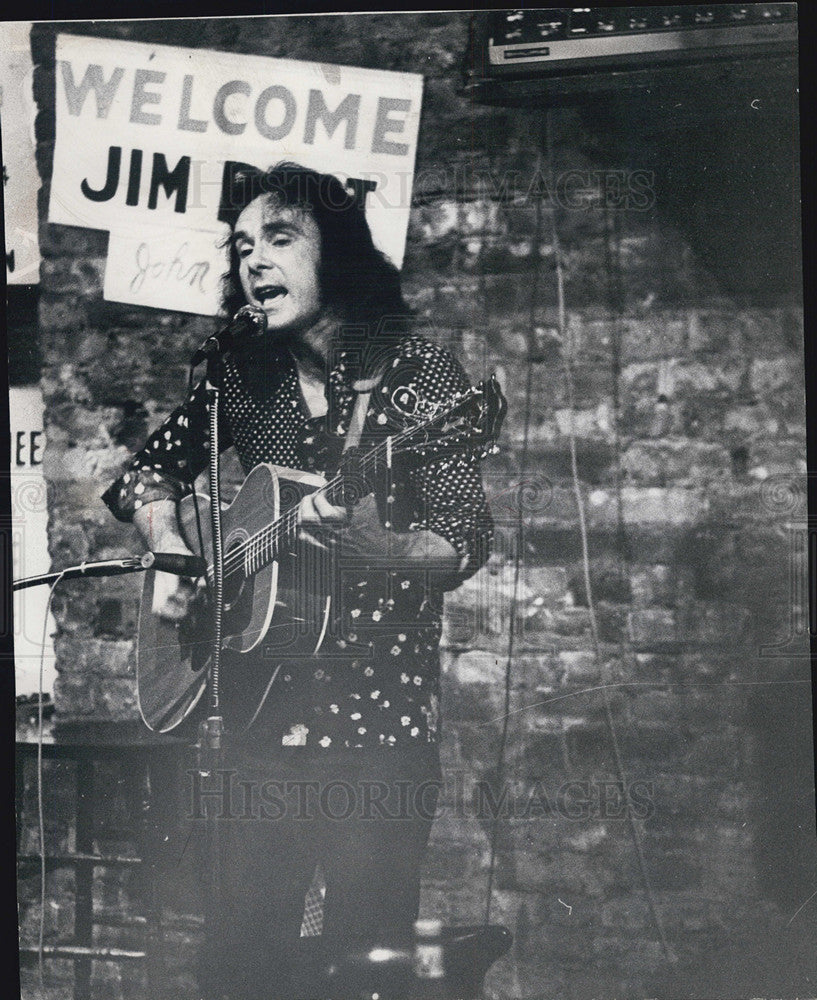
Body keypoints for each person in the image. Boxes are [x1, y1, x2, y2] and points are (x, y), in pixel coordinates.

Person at [102, 162, 494, 1000]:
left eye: (279, 239)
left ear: (340, 257)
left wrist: (375, 549)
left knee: (366, 966)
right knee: (238, 960)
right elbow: (143, 477)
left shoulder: (420, 376)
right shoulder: (243, 376)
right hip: (253, 723)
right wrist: (172, 549)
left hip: (378, 734)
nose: (253, 262)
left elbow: (464, 542)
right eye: (242, 247)